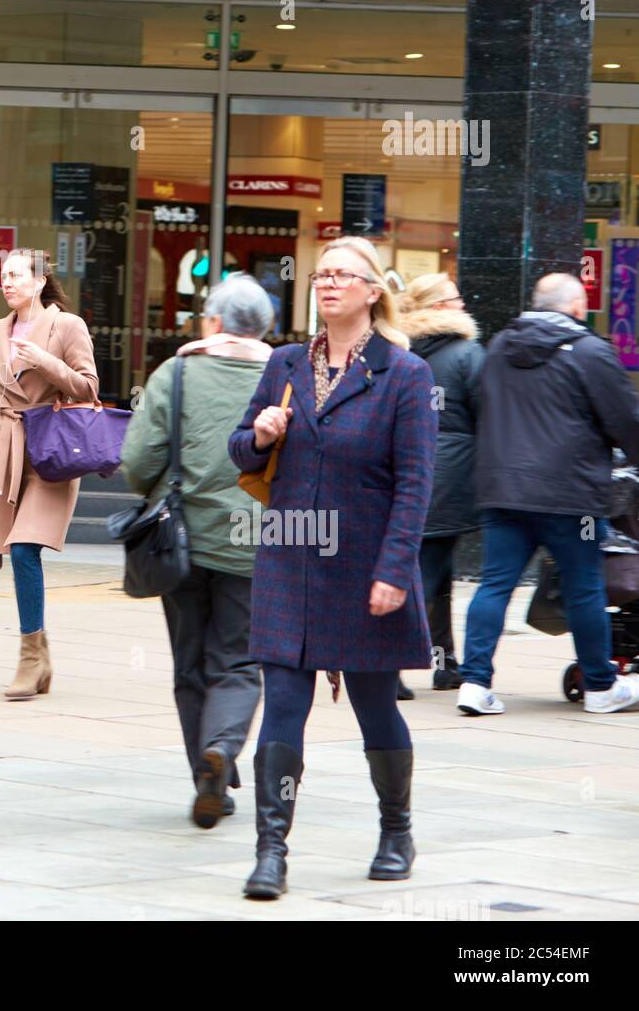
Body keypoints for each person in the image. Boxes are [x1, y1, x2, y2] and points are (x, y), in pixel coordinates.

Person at [228, 237, 437, 900]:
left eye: (343, 275)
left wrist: (395, 570)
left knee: (376, 706)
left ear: (373, 291)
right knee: (284, 705)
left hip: (365, 564)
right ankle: (270, 852)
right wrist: (259, 433)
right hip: (290, 559)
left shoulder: (406, 376)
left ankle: (396, 830)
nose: (327, 283)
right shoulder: (286, 362)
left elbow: (415, 484)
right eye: (321, 274)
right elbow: (239, 451)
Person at [121, 275, 273, 829]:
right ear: (265, 328)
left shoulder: (177, 373)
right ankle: (222, 749)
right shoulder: (283, 379)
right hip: (255, 542)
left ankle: (204, 771)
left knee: (190, 665)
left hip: (181, 541)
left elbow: (138, 462)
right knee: (238, 661)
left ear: (212, 322)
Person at [459, 272, 639, 717]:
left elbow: (485, 406)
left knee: (495, 584)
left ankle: (474, 683)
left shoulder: (499, 346)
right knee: (584, 587)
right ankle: (600, 687)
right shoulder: (590, 351)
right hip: (569, 494)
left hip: (503, 488)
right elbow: (625, 419)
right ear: (577, 307)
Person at [0, 248, 98, 700]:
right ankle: (39, 657)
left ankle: (28, 658)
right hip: (6, 449)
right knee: (10, 549)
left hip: (50, 452)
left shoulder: (67, 325)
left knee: (24, 549)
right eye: (3, 276)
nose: (7, 283)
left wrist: (44, 360)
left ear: (40, 282)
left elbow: (89, 387)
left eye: (17, 275)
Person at [397, 273, 484, 692]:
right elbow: (488, 411)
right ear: (436, 308)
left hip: (405, 474)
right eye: (455, 298)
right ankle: (384, 665)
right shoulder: (467, 354)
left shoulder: (400, 351)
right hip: (446, 480)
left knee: (438, 570)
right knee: (425, 575)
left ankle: (446, 661)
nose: (463, 304)